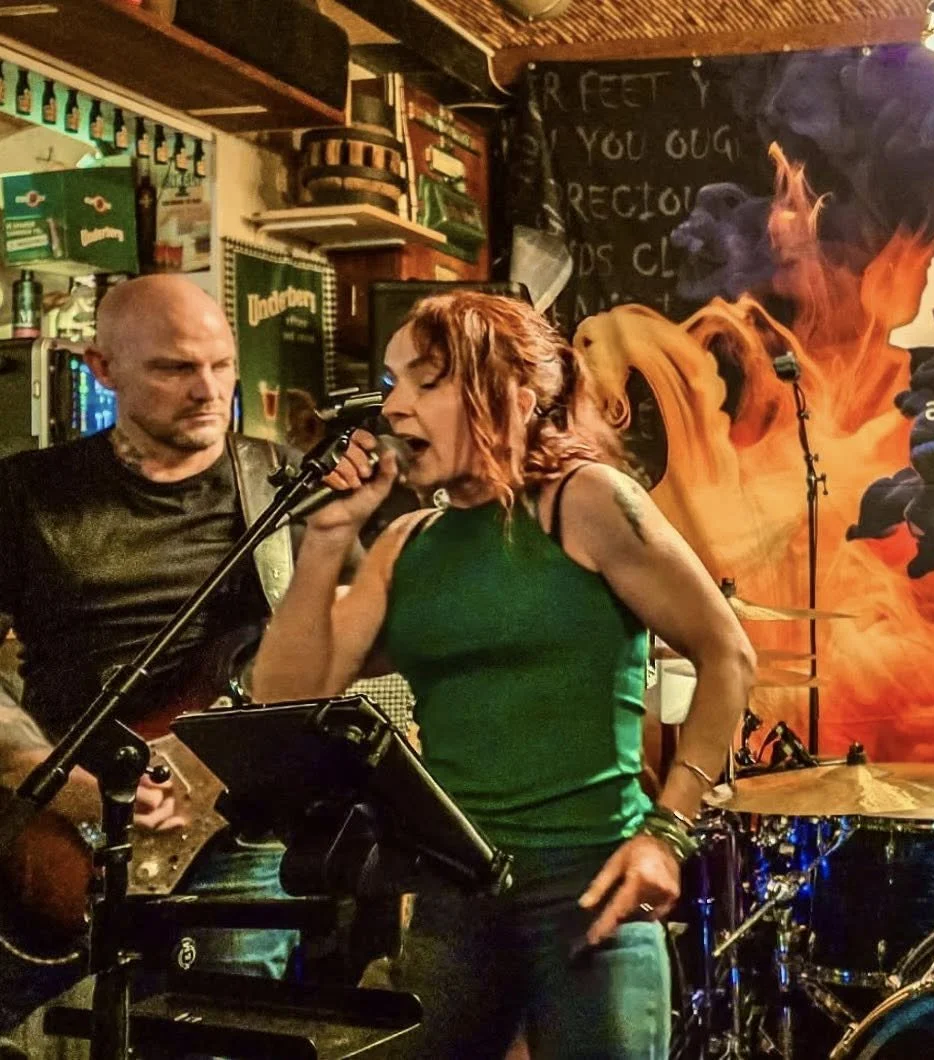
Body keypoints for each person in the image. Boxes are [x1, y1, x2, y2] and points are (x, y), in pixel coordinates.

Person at [249, 291, 756, 1059]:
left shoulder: (584, 501)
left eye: (425, 381)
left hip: (589, 889)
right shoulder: (405, 544)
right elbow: (281, 701)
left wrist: (667, 833)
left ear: (515, 395)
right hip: (456, 894)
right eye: (391, 383)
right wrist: (326, 540)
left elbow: (728, 655)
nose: (393, 407)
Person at [0, 275, 304, 1033]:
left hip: (236, 830)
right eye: (174, 368)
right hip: (62, 833)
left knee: (228, 1039)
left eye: (222, 365)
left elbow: (351, 646)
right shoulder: (27, 492)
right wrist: (46, 775)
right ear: (102, 368)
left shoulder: (285, 484)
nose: (208, 390)